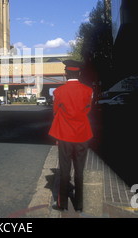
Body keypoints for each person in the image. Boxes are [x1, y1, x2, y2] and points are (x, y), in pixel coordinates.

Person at [49, 60, 93, 212]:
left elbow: (55, 112)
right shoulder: (88, 91)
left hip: (65, 135)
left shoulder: (58, 92)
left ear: (66, 74)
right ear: (79, 73)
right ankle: (79, 205)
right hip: (82, 134)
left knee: (64, 170)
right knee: (80, 171)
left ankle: (62, 204)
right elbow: (88, 109)